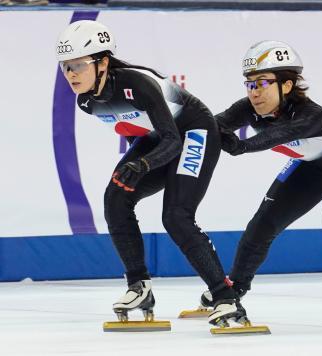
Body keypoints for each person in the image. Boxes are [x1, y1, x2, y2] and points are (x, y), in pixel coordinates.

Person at [55, 20, 245, 327]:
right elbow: (135, 132)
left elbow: (173, 139)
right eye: (65, 67)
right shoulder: (87, 102)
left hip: (194, 132)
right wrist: (138, 162)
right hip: (158, 139)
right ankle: (138, 286)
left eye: (78, 65)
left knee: (176, 216)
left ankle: (225, 297)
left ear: (103, 62)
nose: (70, 74)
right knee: (115, 197)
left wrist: (143, 165)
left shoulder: (137, 83)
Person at [200, 40, 322, 318]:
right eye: (249, 84)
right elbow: (211, 124)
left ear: (286, 85)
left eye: (262, 82)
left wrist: (242, 146)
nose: (254, 92)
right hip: (313, 162)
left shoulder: (310, 115)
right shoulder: (248, 107)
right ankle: (233, 290)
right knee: (263, 223)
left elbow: (276, 135)